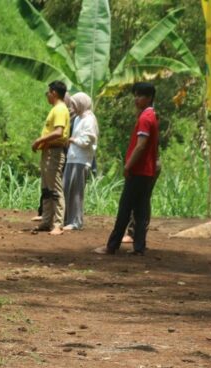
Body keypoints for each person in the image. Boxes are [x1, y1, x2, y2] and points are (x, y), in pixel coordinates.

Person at [95, 82, 159, 255]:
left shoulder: (145, 119)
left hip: (138, 171)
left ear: (149, 98)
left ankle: (112, 245)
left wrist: (128, 165)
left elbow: (141, 145)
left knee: (125, 209)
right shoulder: (152, 116)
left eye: (140, 96)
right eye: (135, 95)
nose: (136, 99)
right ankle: (139, 246)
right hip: (147, 171)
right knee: (140, 210)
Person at [31, 80, 70, 236]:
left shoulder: (60, 109)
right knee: (47, 189)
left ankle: (58, 224)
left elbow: (59, 132)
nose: (47, 95)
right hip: (49, 152)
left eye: (48, 92)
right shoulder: (56, 109)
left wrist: (39, 140)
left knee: (55, 189)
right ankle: (46, 221)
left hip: (54, 152)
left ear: (54, 93)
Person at [63, 92, 99, 230]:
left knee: (76, 192)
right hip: (72, 157)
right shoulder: (78, 118)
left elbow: (88, 140)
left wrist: (73, 140)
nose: (72, 107)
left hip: (82, 159)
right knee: (66, 188)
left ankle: (76, 222)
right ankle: (66, 219)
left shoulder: (89, 119)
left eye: (74, 104)